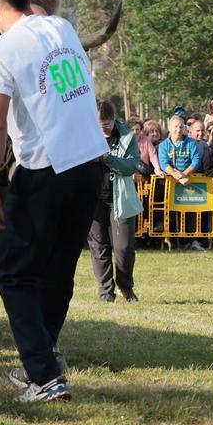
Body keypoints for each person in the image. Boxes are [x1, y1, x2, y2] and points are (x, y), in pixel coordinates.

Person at [0, 0, 107, 403]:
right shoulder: (61, 28)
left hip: (46, 167)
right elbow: (42, 15)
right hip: (90, 162)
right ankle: (44, 362)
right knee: (59, 267)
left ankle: (46, 379)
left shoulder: (0, 51)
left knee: (13, 273)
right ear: (28, 0)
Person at [88, 100, 143, 303]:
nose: (105, 128)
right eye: (101, 125)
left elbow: (132, 165)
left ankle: (126, 287)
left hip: (121, 199)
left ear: (114, 118)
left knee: (124, 248)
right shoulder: (87, 136)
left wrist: (107, 159)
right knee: (99, 247)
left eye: (108, 123)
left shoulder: (127, 136)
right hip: (93, 200)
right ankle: (105, 292)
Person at [157, 115, 201, 186]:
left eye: (181, 127)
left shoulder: (192, 143)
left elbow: (196, 160)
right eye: (176, 126)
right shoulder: (163, 145)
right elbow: (164, 163)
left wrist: (184, 174)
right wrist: (176, 176)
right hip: (170, 182)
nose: (178, 129)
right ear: (170, 128)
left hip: (190, 179)